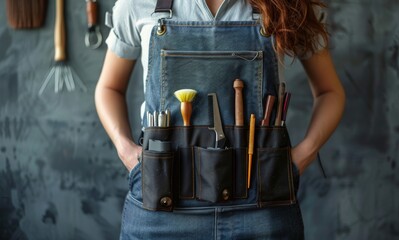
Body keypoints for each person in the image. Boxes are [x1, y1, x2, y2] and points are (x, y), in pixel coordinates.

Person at [95, 0, 345, 239]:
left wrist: (302, 156)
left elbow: (330, 92)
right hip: (160, 209)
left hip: (264, 210)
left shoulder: (290, 4)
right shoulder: (137, 4)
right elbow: (109, 88)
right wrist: (125, 149)